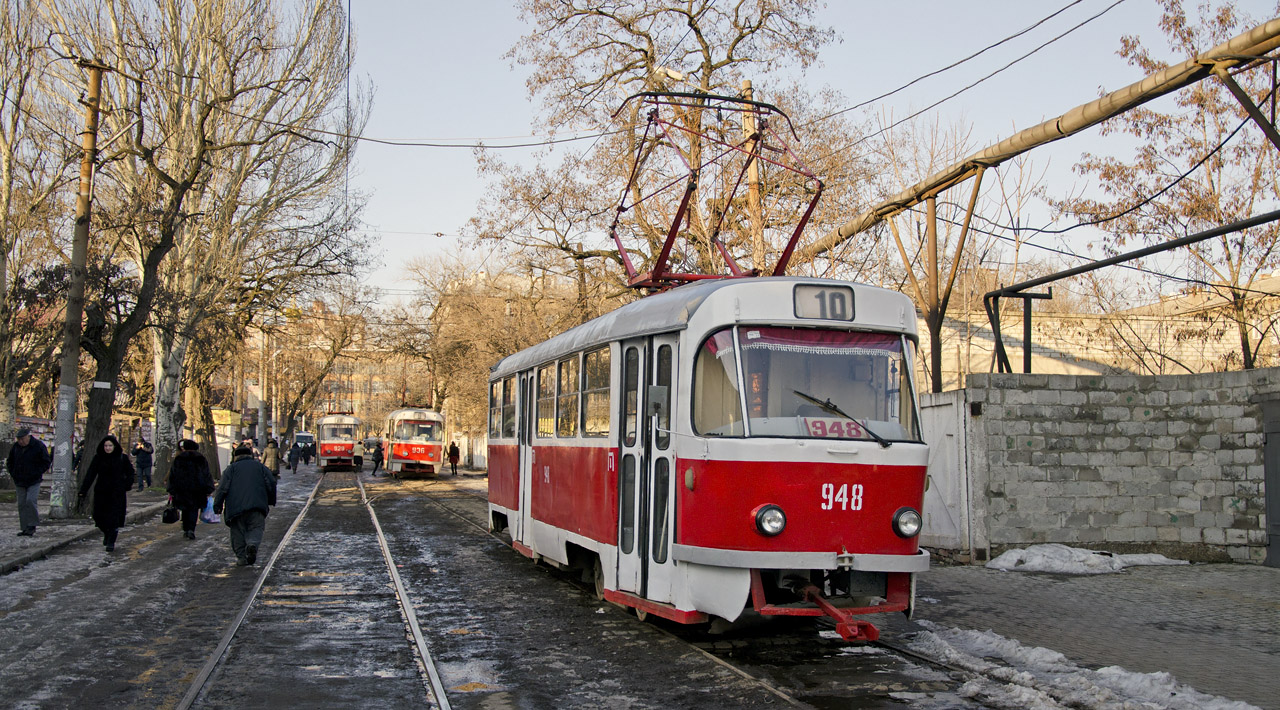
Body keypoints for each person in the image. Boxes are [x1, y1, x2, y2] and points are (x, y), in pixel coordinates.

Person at [212, 444, 277, 566]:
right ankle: (252, 544)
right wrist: (271, 500)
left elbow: (222, 489)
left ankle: (242, 557)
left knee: (237, 532)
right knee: (256, 528)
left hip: (235, 508)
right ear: (250, 455)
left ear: (235, 456)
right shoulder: (261, 467)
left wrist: (217, 505)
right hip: (257, 505)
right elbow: (271, 483)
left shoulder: (231, 469)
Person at [78, 435, 135, 552]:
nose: (108, 448)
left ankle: (111, 541)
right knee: (98, 517)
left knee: (114, 518)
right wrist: (83, 490)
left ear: (114, 446)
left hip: (116, 493)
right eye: (105, 446)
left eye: (110, 446)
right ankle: (106, 533)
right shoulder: (99, 458)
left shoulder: (122, 458)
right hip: (101, 492)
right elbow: (91, 474)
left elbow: (130, 473)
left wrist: (126, 485)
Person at [7, 428, 51, 536]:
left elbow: (46, 462)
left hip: (34, 480)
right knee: (21, 504)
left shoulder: (38, 446)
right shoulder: (16, 447)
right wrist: (13, 473)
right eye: (19, 439)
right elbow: (10, 461)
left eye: (22, 439)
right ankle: (24, 527)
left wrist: (37, 472)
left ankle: (32, 525)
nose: (20, 441)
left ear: (28, 436)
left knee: (30, 501)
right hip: (20, 480)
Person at [167, 439, 215, 540]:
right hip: (198, 489)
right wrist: (209, 488)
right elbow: (206, 474)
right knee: (194, 509)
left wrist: (171, 489)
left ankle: (185, 528)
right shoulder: (201, 458)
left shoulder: (179, 458)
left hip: (182, 488)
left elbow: (173, 474)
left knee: (185, 508)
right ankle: (191, 529)